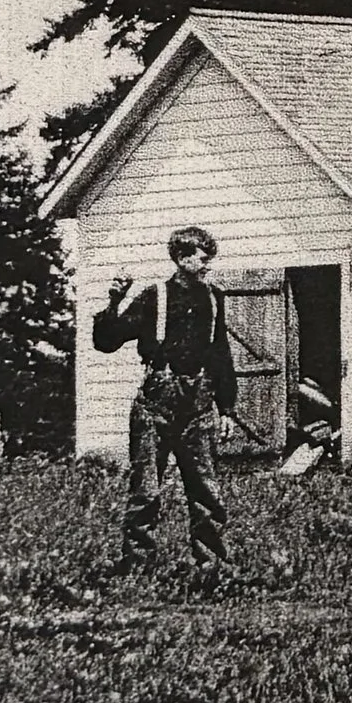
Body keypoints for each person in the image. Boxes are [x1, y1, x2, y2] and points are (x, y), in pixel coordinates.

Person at [92, 225, 246, 578]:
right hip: (155, 405)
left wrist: (227, 410)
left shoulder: (213, 298)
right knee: (146, 490)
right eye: (203, 259)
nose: (208, 266)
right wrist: (114, 301)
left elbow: (221, 355)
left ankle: (213, 568)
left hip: (199, 404)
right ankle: (137, 569)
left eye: (210, 259)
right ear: (181, 258)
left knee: (206, 491)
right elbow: (106, 341)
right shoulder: (154, 297)